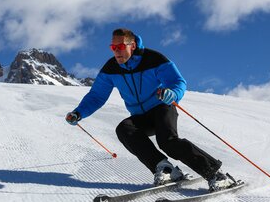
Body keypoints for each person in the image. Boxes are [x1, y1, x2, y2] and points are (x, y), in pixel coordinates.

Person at [65, 28, 235, 192]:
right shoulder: (111, 69)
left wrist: (173, 94)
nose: (117, 52)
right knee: (124, 129)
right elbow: (96, 96)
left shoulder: (153, 59)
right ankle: (165, 169)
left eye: (121, 47)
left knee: (167, 141)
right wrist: (79, 113)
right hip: (140, 116)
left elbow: (177, 81)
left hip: (162, 106)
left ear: (132, 45)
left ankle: (215, 174)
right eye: (113, 48)